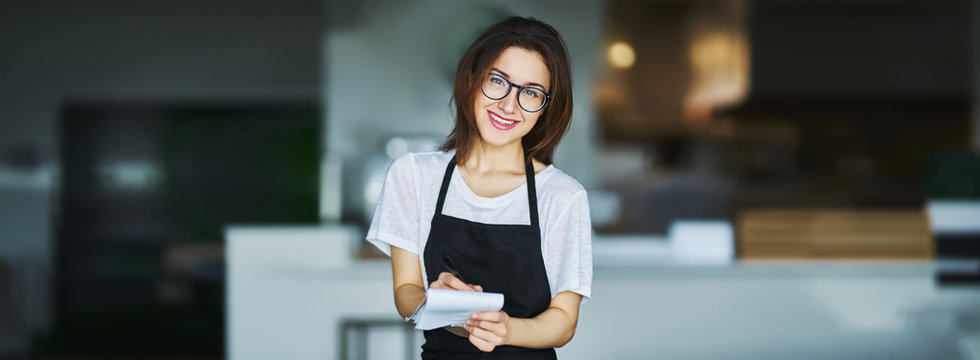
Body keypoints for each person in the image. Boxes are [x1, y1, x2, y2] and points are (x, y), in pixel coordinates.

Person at [366, 16, 592, 359]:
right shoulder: (413, 175)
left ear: (546, 108)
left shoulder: (561, 195)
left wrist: (507, 329)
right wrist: (434, 301)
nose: (508, 105)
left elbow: (563, 322)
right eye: (498, 81)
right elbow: (405, 291)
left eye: (530, 92)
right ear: (472, 78)